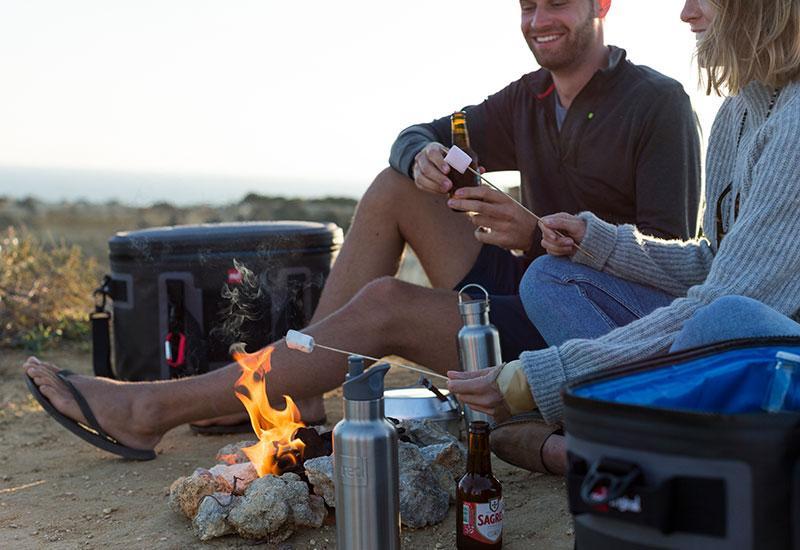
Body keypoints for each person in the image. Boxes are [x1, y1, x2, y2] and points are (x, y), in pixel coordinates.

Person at [22, 0, 701, 460]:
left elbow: (661, 278)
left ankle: (149, 413)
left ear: (601, 4)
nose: (537, 19)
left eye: (554, 2)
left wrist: (531, 235)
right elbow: (414, 135)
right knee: (395, 187)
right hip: (523, 278)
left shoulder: (655, 103)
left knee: (385, 306)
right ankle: (300, 391)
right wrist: (424, 157)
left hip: (585, 326)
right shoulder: (529, 99)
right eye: (525, 5)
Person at [448, 0, 800, 475]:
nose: (686, 14)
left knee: (722, 322)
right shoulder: (739, 111)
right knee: (550, 277)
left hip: (778, 364)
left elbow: (730, 298)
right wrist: (601, 245)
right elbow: (720, 262)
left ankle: (614, 448)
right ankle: (650, 436)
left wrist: (531, 379)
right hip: (739, 361)